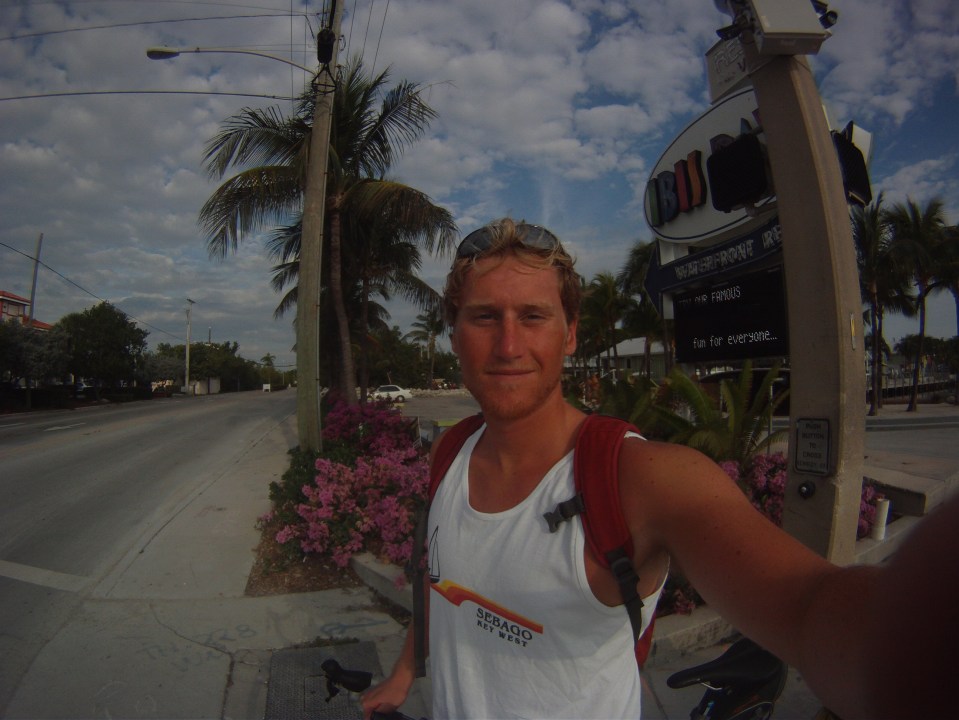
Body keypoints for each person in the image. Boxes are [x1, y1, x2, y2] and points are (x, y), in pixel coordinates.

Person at [363, 218, 957, 719]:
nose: (509, 345)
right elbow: (440, 585)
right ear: (454, 334)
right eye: (484, 317)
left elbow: (808, 606)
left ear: (570, 335)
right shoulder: (451, 452)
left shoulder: (640, 477)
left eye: (534, 316)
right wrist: (405, 671)